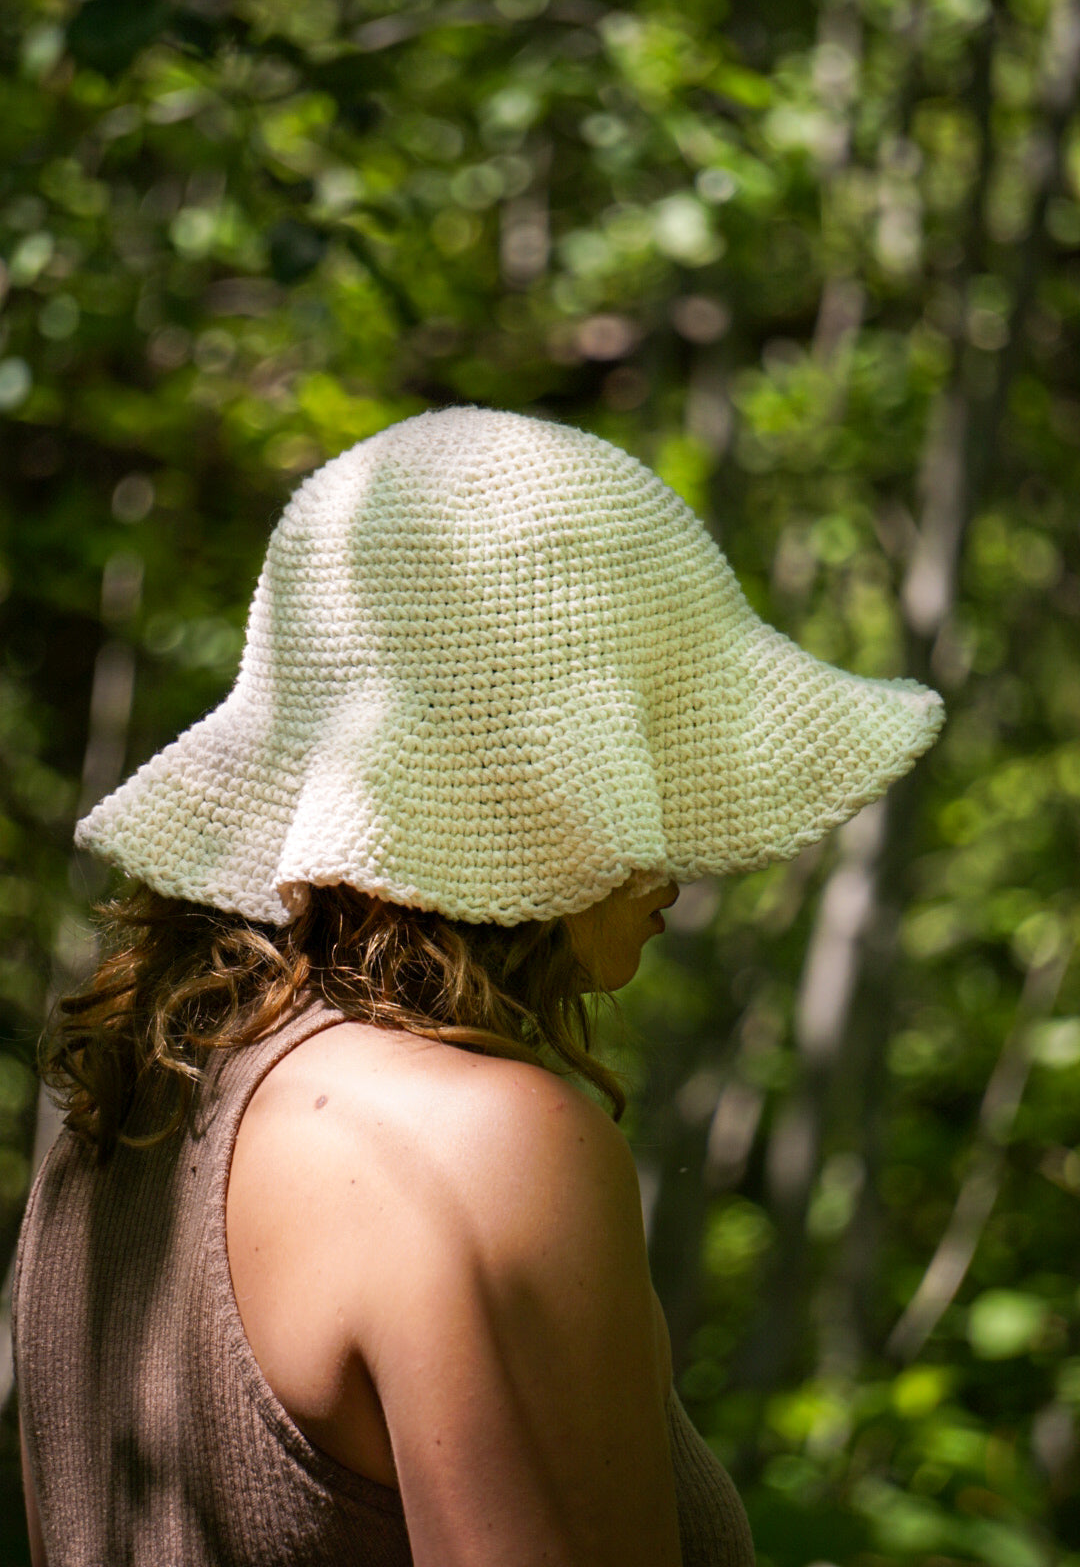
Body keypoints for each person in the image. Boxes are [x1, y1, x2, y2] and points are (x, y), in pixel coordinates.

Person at [12, 405, 944, 1566]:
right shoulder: (485, 1147)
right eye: (649, 745)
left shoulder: (117, 1130)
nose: (674, 855)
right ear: (546, 774)